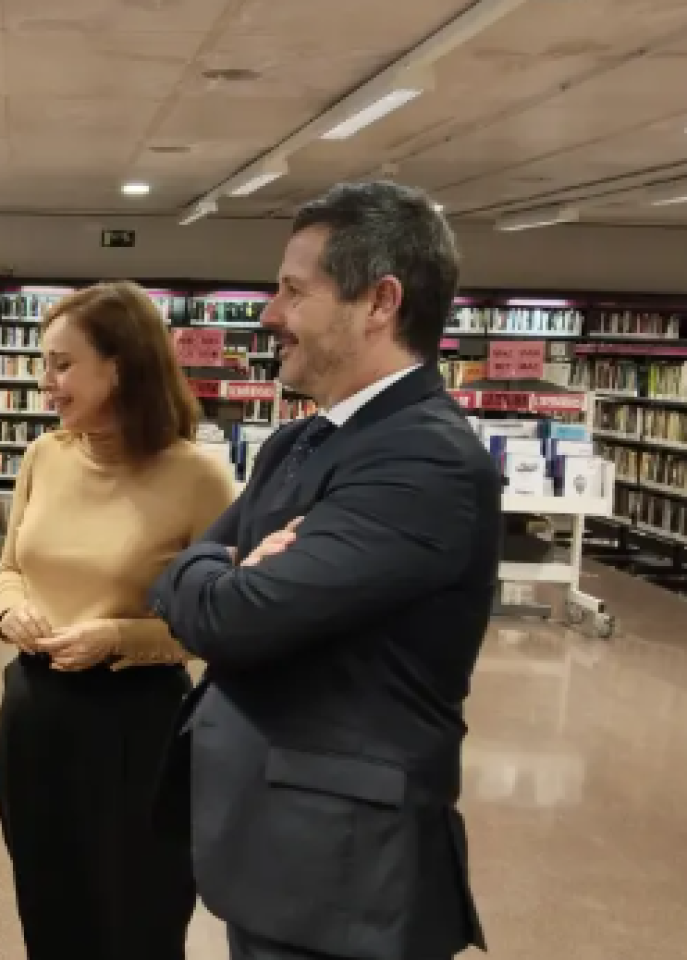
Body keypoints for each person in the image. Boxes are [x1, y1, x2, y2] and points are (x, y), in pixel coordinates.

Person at [147, 181, 497, 960]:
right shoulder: (301, 442)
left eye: (293, 291)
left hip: (343, 881)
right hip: (282, 854)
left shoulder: (423, 458)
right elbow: (179, 575)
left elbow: (228, 620)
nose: (270, 313)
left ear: (380, 302)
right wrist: (222, 567)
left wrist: (223, 576)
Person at [0, 281, 236, 960]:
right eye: (45, 365)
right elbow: (9, 565)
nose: (47, 383)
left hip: (138, 723)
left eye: (62, 364)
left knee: (138, 914)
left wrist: (119, 637)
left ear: (121, 366)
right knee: (46, 898)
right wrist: (12, 611)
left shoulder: (197, 479)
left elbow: (222, 622)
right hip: (35, 711)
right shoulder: (45, 456)